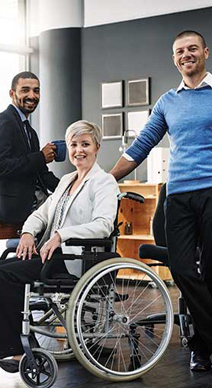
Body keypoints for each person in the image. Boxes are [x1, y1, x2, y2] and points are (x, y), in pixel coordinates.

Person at [110, 30, 212, 372]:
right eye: (180, 51)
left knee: (210, 272)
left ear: (205, 53)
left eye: (192, 49)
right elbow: (141, 147)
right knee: (183, 270)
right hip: (178, 195)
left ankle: (201, 347)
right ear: (174, 59)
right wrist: (107, 180)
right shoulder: (168, 101)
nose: (187, 55)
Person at [0, 120, 118, 372]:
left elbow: (103, 225)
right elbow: (41, 214)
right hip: (51, 255)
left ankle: (15, 349)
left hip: (75, 259)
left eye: (85, 144)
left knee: (5, 275)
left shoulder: (104, 182)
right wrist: (27, 232)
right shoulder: (67, 180)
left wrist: (61, 235)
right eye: (74, 144)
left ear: (97, 147)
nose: (79, 150)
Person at [0, 71, 59, 224]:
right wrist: (40, 157)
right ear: (12, 94)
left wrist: (71, 187)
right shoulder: (3, 122)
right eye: (25, 90)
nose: (32, 96)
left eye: (36, 91)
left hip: (32, 204)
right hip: (12, 208)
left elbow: (40, 172)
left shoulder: (29, 131)